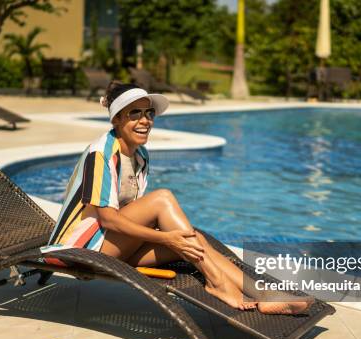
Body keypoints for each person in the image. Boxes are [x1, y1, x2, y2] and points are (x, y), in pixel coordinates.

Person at [43, 81, 312, 314]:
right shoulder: (101, 154)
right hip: (81, 249)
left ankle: (264, 294)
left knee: (195, 238)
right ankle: (217, 283)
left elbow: (128, 211)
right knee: (162, 199)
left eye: (149, 113)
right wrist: (165, 237)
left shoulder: (140, 155)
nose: (145, 120)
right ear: (116, 120)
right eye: (134, 113)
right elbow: (109, 220)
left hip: (111, 247)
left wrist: (174, 236)